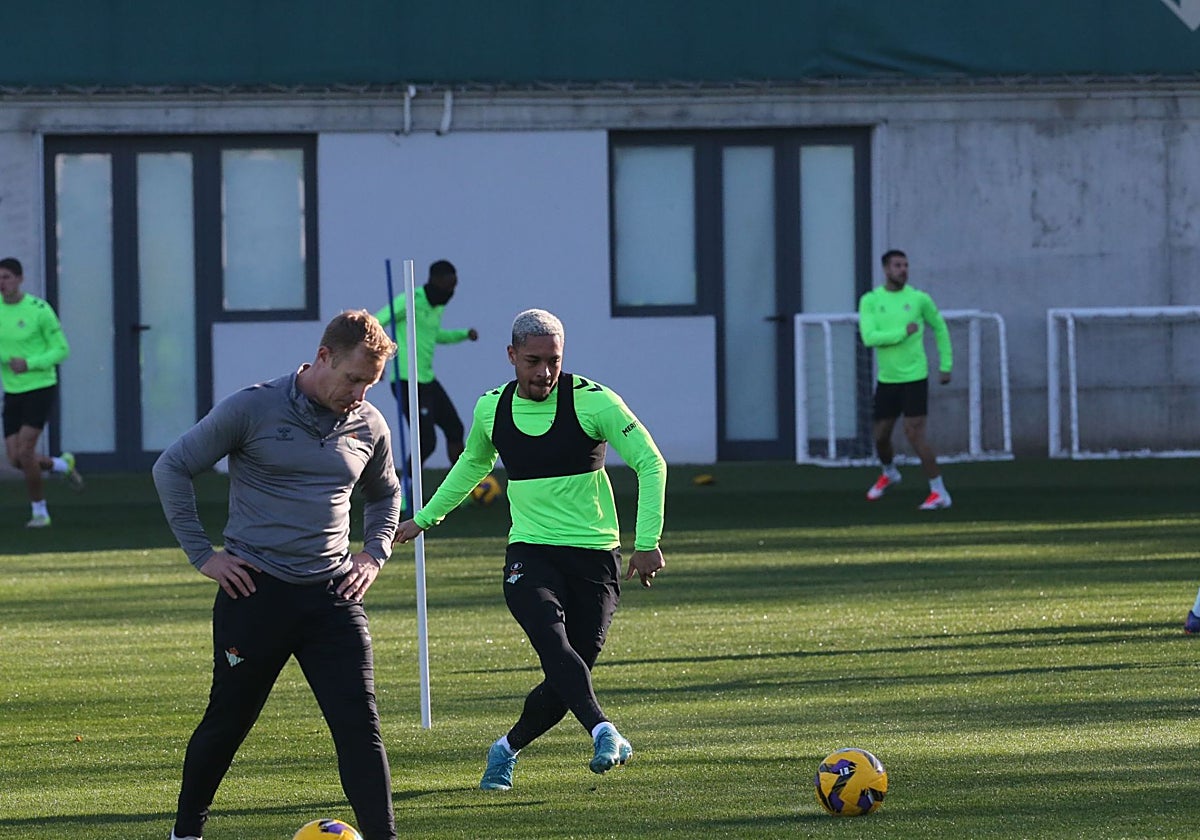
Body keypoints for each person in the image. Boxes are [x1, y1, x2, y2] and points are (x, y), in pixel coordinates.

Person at [152, 310, 403, 840]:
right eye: (354, 378)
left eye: (370, 384)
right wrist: (204, 556)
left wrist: (374, 554)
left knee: (361, 730)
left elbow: (384, 495)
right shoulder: (254, 406)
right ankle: (185, 834)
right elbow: (171, 466)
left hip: (334, 597)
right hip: (255, 594)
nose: (359, 394)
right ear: (324, 357)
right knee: (227, 724)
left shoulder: (369, 424)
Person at [395, 308, 667, 791]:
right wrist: (423, 518)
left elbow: (651, 463)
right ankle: (605, 731)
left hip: (594, 556)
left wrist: (646, 544)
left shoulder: (594, 402)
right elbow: (470, 466)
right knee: (553, 644)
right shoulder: (491, 408)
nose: (544, 372)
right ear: (512, 356)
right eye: (533, 361)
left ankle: (505, 749)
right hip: (530, 553)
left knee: (569, 675)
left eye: (554, 360)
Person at [858, 249, 953, 510]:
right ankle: (889, 473)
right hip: (887, 380)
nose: (903, 270)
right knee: (880, 437)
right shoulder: (870, 300)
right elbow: (869, 337)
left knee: (914, 433)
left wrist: (946, 364)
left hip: (915, 377)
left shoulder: (919, 299)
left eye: (906, 265)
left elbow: (940, 327)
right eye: (898, 265)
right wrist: (902, 332)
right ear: (886, 270)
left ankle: (939, 492)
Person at [0, 256, 84, 527]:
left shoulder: (39, 309)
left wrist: (30, 363)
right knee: (15, 459)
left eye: (7, 277)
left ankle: (40, 512)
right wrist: (9, 360)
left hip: (40, 387)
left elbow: (62, 349)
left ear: (20, 279)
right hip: (13, 390)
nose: (2, 283)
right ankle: (61, 466)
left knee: (25, 453)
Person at [375, 259, 478, 465]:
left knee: (454, 428)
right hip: (406, 379)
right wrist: (375, 357)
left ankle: (460, 486)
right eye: (448, 286)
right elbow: (376, 321)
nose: (451, 292)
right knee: (426, 442)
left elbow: (433, 335)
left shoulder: (437, 307)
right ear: (434, 281)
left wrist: (463, 334)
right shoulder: (411, 300)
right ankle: (405, 490)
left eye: (454, 287)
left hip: (427, 379)